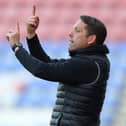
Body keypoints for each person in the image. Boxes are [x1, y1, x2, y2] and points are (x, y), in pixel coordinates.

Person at [6, 5, 110, 126]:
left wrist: (17, 47)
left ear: (91, 39)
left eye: (77, 31)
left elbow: (41, 69)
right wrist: (31, 35)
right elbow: (47, 63)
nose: (70, 34)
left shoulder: (88, 64)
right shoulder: (89, 61)